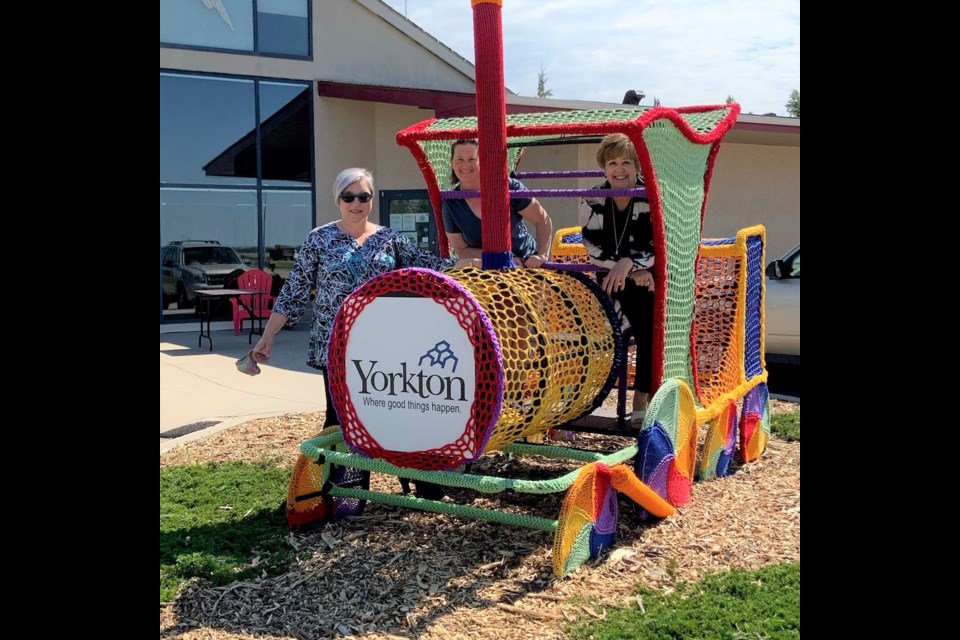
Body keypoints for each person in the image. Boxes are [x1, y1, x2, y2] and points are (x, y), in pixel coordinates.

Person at [251, 168, 470, 427]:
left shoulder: (390, 239)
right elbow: (293, 292)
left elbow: (430, 266)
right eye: (348, 197)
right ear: (338, 200)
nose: (356, 203)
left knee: (376, 421)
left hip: (381, 347)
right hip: (335, 344)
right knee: (338, 420)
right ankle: (340, 469)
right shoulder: (319, 239)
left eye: (363, 197)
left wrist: (469, 263)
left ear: (371, 200)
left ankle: (369, 466)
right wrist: (268, 337)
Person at [578, 133, 656, 425]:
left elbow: (659, 245)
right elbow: (591, 246)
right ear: (604, 166)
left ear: (636, 165)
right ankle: (582, 394)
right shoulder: (592, 197)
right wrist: (623, 267)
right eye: (612, 162)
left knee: (647, 319)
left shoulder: (651, 196)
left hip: (644, 276)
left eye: (626, 162)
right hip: (609, 276)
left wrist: (632, 265)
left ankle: (641, 395)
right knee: (586, 327)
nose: (619, 169)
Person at [441, 139, 553, 267]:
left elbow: (543, 220)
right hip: (487, 271)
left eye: (472, 159)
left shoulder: (507, 187)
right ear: (452, 163)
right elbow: (462, 250)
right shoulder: (450, 204)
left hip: (526, 264)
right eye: (459, 160)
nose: (465, 165)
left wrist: (542, 255)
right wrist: (502, 259)